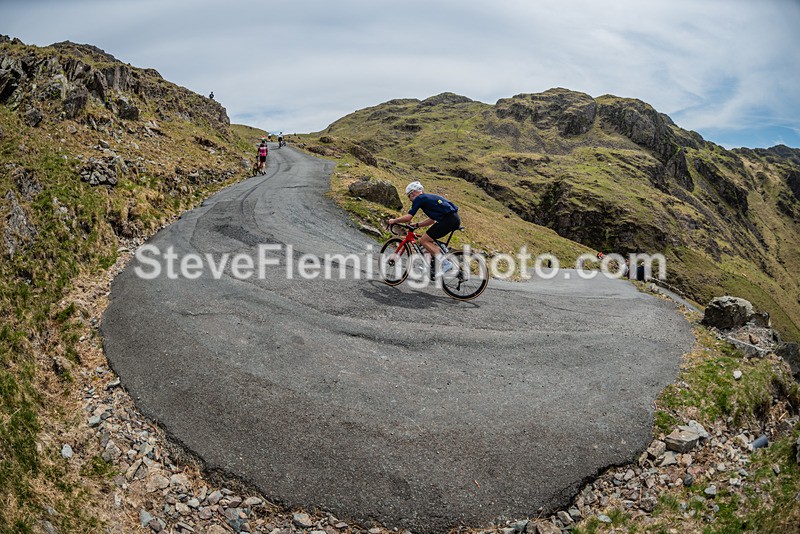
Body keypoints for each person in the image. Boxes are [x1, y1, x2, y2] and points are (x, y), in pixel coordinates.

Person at [387, 181, 460, 277]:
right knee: (428, 243)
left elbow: (408, 217)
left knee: (423, 240)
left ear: (412, 193)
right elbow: (431, 221)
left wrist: (394, 220)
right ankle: (430, 267)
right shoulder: (427, 199)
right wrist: (417, 225)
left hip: (448, 220)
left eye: (409, 197)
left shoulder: (420, 198)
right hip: (452, 219)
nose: (410, 200)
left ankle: (446, 264)